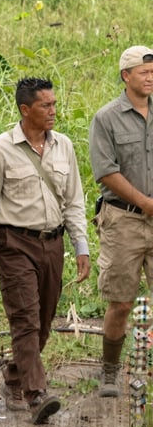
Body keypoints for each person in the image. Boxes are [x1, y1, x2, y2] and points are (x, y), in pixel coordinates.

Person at [0, 78, 90, 425]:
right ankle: (36, 394)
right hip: (13, 244)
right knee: (25, 319)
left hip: (52, 243)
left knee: (45, 321)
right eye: (45, 106)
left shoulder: (63, 146)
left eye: (54, 104)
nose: (54, 111)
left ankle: (13, 375)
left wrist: (80, 246)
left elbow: (74, 200)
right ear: (25, 110)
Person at [89, 45, 153, 397]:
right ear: (126, 76)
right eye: (144, 73)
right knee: (121, 302)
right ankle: (111, 372)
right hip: (123, 221)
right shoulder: (107, 118)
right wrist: (145, 203)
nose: (150, 78)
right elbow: (105, 171)